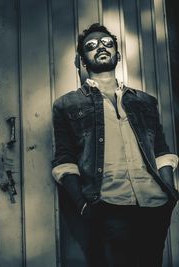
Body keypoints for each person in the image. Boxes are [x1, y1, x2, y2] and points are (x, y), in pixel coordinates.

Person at [51, 23, 179, 267]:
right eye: (91, 45)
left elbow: (162, 150)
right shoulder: (66, 105)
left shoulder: (145, 101)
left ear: (117, 55)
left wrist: (169, 192)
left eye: (107, 43)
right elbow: (64, 160)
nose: (101, 46)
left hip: (154, 204)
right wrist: (83, 204)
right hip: (107, 205)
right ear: (82, 61)